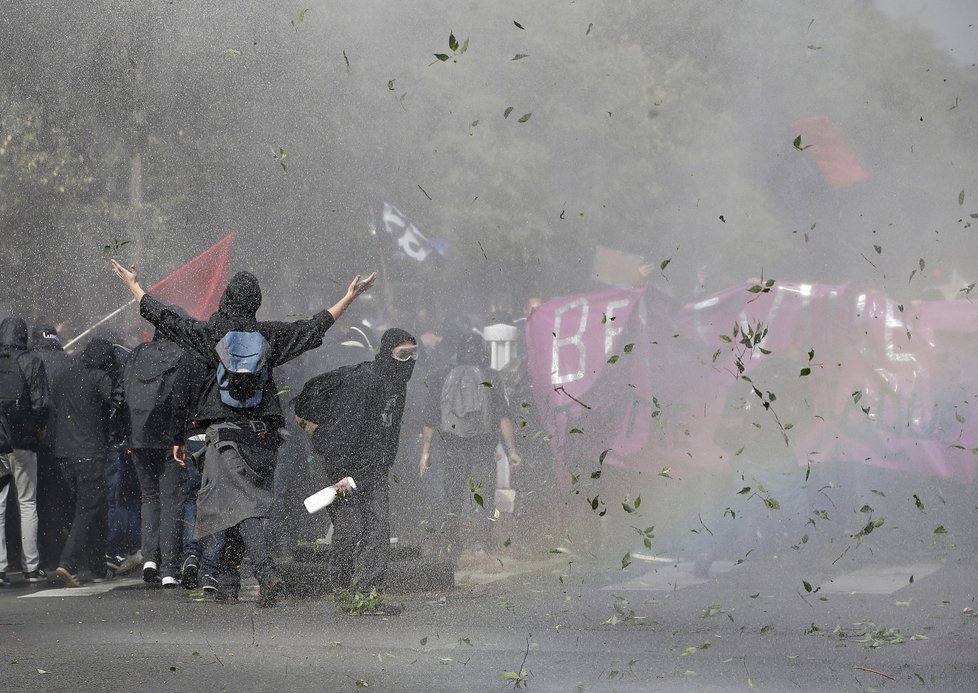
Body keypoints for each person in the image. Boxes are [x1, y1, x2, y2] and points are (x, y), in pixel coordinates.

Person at [111, 259, 375, 607]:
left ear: (227, 299)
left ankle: (267, 574)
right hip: (265, 437)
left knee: (239, 509)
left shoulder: (211, 335)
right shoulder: (271, 336)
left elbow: (168, 320)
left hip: (226, 438)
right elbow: (313, 329)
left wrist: (134, 286)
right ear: (256, 302)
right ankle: (228, 583)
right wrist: (349, 297)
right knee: (234, 507)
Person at [299, 328, 417, 594]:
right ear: (388, 353)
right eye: (402, 354)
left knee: (378, 529)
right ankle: (342, 586)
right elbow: (343, 432)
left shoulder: (397, 384)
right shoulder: (364, 382)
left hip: (371, 469)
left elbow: (389, 430)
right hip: (340, 465)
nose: (407, 361)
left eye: (412, 354)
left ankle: (368, 592)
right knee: (350, 528)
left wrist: (383, 464)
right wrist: (341, 474)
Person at [419, 333, 522, 565]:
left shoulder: (441, 376)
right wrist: (511, 450)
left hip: (451, 446)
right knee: (482, 497)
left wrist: (425, 453)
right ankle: (480, 544)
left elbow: (430, 418)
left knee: (451, 496)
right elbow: (503, 417)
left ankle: (451, 545)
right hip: (483, 447)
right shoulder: (491, 377)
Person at [51, 336, 124, 586]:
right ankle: (67, 564)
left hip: (64, 455)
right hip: (89, 453)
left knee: (91, 509)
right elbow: (119, 401)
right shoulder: (99, 377)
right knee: (88, 509)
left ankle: (97, 566)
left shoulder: (63, 377)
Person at [123, 328, 188, 587]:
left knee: (149, 498)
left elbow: (121, 393)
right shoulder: (180, 356)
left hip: (138, 439)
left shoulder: (136, 355)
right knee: (172, 501)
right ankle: (170, 569)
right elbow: (182, 397)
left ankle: (150, 558)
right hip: (169, 440)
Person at [0, 317, 49, 586]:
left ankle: (0, 567)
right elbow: (41, 403)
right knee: (27, 502)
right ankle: (31, 567)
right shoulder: (31, 361)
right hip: (23, 442)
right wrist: (39, 428)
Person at [29, 322, 71, 573]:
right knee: (59, 500)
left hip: (33, 441)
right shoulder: (67, 361)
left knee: (33, 501)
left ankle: (39, 557)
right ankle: (60, 556)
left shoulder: (30, 360)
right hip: (64, 442)